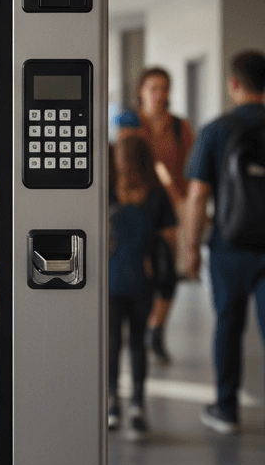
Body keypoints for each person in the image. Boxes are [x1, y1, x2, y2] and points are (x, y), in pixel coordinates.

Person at [183, 50, 265, 434]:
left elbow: (198, 196)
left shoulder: (217, 130)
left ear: (234, 84)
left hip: (229, 247)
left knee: (228, 326)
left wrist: (190, 247)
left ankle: (226, 408)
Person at [119, 67, 195, 365]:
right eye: (153, 88)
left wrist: (186, 202)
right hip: (137, 204)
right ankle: (137, 328)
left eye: (164, 87)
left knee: (167, 271)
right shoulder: (130, 124)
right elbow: (124, 163)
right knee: (138, 268)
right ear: (141, 91)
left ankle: (156, 328)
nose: (159, 94)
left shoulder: (179, 126)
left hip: (171, 206)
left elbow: (188, 167)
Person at [108, 135, 177, 437]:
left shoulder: (107, 192)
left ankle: (113, 403)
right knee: (136, 343)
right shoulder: (156, 196)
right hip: (141, 281)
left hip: (112, 281)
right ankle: (135, 404)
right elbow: (169, 242)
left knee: (113, 343)